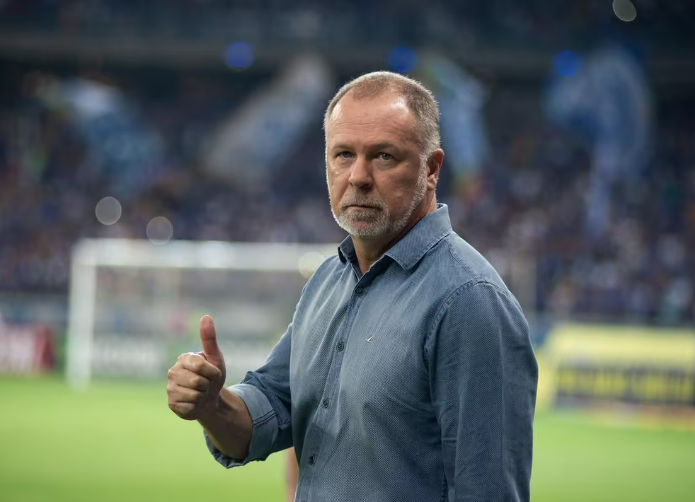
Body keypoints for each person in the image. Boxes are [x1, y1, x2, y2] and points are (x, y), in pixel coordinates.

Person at [166, 71, 538, 502]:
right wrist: (213, 406)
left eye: (383, 156)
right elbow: (268, 410)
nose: (358, 176)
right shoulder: (329, 279)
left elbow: (487, 491)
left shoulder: (469, 302)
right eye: (343, 155)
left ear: (431, 169)